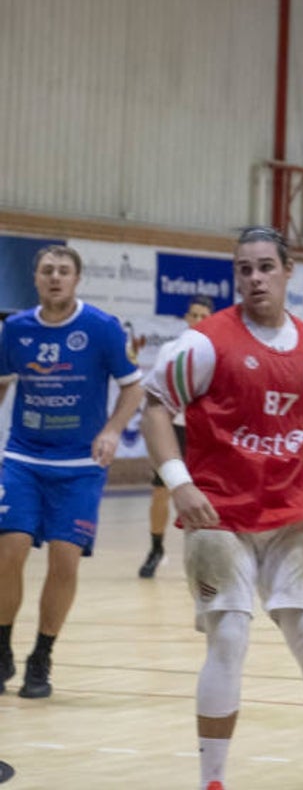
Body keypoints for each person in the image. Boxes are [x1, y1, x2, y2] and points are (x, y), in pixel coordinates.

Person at [141, 227, 303, 790]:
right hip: (217, 515)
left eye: (265, 267)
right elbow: (154, 407)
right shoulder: (204, 343)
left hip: (291, 515)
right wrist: (178, 482)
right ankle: (213, 781)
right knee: (229, 638)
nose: (254, 278)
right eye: (243, 269)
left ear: (288, 271)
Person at [0, 244, 143, 699]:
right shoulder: (16, 329)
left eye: (64, 271)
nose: (55, 277)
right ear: (36, 279)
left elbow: (133, 388)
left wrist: (112, 430)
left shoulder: (100, 328)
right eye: (47, 271)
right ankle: (1, 649)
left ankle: (41, 657)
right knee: (10, 551)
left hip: (80, 466)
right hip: (22, 458)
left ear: (77, 279)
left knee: (64, 560)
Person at [138, 294, 214, 578]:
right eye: (193, 315)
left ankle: (206, 552)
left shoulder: (217, 351)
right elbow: (157, 396)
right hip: (174, 430)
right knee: (161, 491)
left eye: (203, 316)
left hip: (203, 432)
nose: (197, 320)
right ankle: (156, 548)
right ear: (186, 317)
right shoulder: (171, 349)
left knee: (206, 493)